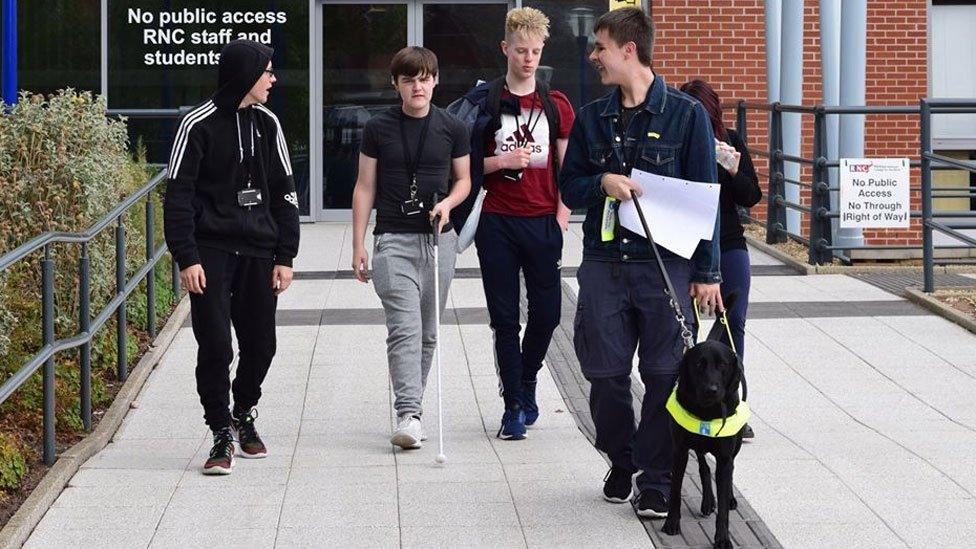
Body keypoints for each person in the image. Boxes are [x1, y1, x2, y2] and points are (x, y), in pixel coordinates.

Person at [557, 8, 723, 518]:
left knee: (663, 376)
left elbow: (705, 197)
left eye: (600, 47)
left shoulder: (687, 115)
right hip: (605, 263)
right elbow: (568, 186)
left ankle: (655, 478)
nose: (593, 56)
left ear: (628, 49)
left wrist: (706, 273)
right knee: (603, 373)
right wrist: (602, 182)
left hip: (664, 267)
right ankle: (622, 458)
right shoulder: (591, 118)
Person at [164, 39, 300, 475]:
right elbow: (178, 198)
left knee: (262, 344)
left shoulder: (269, 124)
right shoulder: (196, 125)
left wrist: (286, 254)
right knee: (217, 345)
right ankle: (220, 430)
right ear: (246, 75)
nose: (273, 79)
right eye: (268, 71)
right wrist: (187, 258)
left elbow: (285, 193)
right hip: (211, 252)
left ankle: (244, 411)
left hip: (260, 249)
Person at [454, 7, 575, 440]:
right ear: (505, 48)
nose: (528, 59)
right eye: (520, 50)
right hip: (498, 222)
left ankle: (526, 377)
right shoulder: (484, 101)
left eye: (535, 51)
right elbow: (461, 166)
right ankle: (513, 406)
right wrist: (500, 161)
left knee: (548, 314)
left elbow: (568, 167)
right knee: (504, 319)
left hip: (543, 221)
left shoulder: (555, 105)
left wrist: (562, 216)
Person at [351, 46, 472, 450]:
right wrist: (358, 245)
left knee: (428, 333)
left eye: (424, 78)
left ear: (435, 80)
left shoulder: (453, 127)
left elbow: (464, 182)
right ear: (396, 84)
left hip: (439, 239)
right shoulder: (378, 128)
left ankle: (412, 411)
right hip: (393, 240)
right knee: (404, 329)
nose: (417, 86)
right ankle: (408, 413)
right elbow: (364, 187)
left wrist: (448, 204)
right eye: (408, 79)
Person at [680, 79, 761, 439]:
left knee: (733, 322)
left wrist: (731, 168)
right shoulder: (676, 142)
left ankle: (732, 405)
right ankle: (689, 401)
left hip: (729, 241)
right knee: (687, 325)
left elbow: (752, 196)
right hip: (684, 244)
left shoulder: (729, 141)